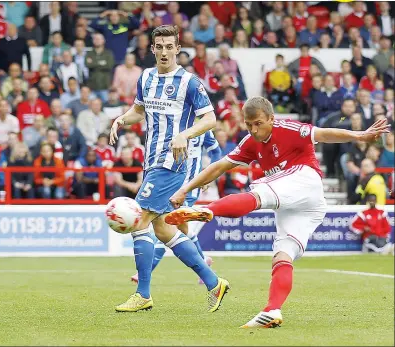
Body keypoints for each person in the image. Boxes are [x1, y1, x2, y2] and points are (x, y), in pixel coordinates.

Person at [166, 96, 390, 328]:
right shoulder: (250, 143)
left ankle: (206, 210)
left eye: (259, 123)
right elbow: (219, 166)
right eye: (248, 124)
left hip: (305, 179)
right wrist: (186, 189)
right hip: (303, 207)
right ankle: (272, 310)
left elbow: (322, 134)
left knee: (260, 191)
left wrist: (359, 135)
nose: (254, 130)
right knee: (283, 253)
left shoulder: (289, 128)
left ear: (272, 119)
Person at [108, 25, 229, 313]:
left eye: (169, 46)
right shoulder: (146, 77)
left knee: (138, 221)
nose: (164, 51)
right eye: (158, 46)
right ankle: (214, 282)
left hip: (172, 161)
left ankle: (143, 293)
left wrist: (184, 134)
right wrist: (121, 120)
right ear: (152, 49)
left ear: (177, 49)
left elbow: (210, 119)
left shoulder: (189, 82)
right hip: (151, 161)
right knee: (163, 229)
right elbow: (140, 110)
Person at [129, 130, 222, 284]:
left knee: (169, 224)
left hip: (191, 185)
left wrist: (208, 176)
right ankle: (205, 262)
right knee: (180, 228)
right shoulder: (173, 124)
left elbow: (216, 152)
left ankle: (146, 272)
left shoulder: (203, 129)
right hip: (169, 183)